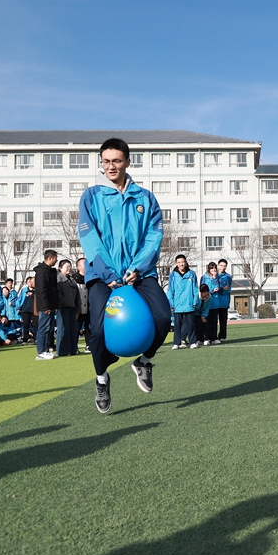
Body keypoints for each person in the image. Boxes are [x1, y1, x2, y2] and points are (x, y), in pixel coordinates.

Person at [78, 137, 173, 413]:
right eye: (106, 161)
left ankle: (143, 361)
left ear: (127, 162)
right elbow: (88, 236)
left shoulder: (145, 198)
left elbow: (154, 236)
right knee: (97, 331)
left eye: (116, 161)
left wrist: (138, 268)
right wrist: (108, 272)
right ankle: (102, 379)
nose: (111, 166)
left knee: (163, 317)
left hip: (140, 273)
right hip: (102, 275)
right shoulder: (91, 196)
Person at [167, 254, 201, 350]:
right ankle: (176, 343)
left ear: (185, 262)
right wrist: (171, 304)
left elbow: (195, 289)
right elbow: (170, 290)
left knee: (191, 324)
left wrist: (195, 301)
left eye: (182, 262)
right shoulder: (173, 275)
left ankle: (192, 342)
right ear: (176, 263)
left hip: (189, 303)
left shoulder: (192, 274)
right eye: (179, 262)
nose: (181, 264)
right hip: (177, 304)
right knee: (177, 325)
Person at [33, 250, 59, 359]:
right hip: (45, 306)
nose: (56, 260)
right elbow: (41, 290)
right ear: (50, 258)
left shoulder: (49, 271)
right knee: (43, 328)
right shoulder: (42, 272)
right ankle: (41, 352)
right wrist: (45, 306)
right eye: (55, 258)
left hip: (51, 304)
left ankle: (46, 349)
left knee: (49, 328)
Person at [55, 260, 81, 356]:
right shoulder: (58, 279)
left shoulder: (72, 279)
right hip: (63, 307)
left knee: (72, 328)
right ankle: (62, 351)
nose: (69, 269)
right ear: (60, 268)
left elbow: (77, 294)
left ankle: (73, 349)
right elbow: (57, 294)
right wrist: (63, 302)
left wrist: (77, 307)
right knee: (63, 328)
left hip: (72, 306)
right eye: (66, 267)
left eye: (70, 266)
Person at [200, 262, 221, 344]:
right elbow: (203, 288)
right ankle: (206, 338)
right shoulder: (204, 277)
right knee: (206, 322)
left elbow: (218, 287)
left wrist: (215, 278)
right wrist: (211, 291)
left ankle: (214, 338)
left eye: (215, 269)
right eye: (211, 269)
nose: (213, 270)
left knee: (214, 322)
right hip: (207, 302)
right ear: (208, 269)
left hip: (215, 303)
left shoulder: (218, 277)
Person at [214, 259, 233, 342]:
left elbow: (227, 289)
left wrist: (220, 289)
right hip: (214, 301)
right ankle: (213, 336)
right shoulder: (214, 275)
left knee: (223, 320)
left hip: (224, 302)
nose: (223, 267)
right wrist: (221, 289)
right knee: (213, 321)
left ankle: (222, 336)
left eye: (224, 266)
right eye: (221, 265)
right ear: (218, 265)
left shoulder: (228, 277)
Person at [75, 257, 91, 352]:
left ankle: (89, 345)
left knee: (89, 327)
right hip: (79, 307)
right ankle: (74, 346)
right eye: (84, 264)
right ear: (79, 267)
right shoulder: (74, 279)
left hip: (89, 306)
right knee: (76, 327)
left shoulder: (90, 277)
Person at [19, 277, 36, 345]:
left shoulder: (36, 290)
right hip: (25, 309)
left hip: (33, 310)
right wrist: (19, 307)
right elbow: (20, 299)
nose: (30, 283)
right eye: (29, 282)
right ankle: (25, 339)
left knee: (35, 325)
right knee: (25, 325)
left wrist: (32, 295)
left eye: (31, 282)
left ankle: (36, 339)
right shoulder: (24, 290)